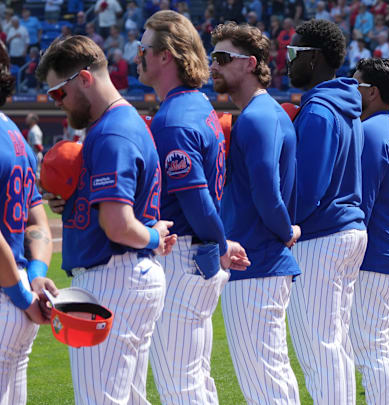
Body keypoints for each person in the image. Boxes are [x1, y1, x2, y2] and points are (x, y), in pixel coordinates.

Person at [37, 35, 175, 404]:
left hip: (114, 276)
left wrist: (151, 239)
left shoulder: (113, 131)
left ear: (84, 78)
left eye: (58, 93)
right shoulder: (113, 125)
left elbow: (117, 225)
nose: (58, 104)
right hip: (122, 274)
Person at [134, 11, 249, 404]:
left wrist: (221, 243)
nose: (138, 56)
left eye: (145, 48)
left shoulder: (174, 118)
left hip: (182, 255)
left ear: (166, 55)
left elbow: (196, 198)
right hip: (196, 253)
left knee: (179, 384)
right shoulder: (196, 106)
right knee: (195, 379)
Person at [209, 22, 302, 403]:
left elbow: (268, 194)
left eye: (222, 58)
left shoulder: (257, 116)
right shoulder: (264, 112)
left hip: (255, 261)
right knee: (271, 373)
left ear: (250, 63)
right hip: (261, 261)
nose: (212, 66)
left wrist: (284, 230)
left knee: (264, 379)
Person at [285, 19, 367, 404]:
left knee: (320, 349)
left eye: (293, 53)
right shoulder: (345, 101)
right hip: (347, 228)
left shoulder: (319, 109)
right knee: (335, 346)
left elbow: (308, 190)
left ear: (313, 58)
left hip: (321, 235)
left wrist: (280, 223)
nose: (287, 62)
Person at [348, 57, 389, 405]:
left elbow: (363, 201)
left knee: (371, 347)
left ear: (371, 91)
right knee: (383, 344)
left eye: (355, 84)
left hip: (377, 252)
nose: (350, 89)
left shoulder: (371, 130)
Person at [0, 40, 56, 405]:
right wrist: (35, 275)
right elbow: (39, 218)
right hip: (18, 284)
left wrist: (21, 296)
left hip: (8, 291)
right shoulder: (13, 132)